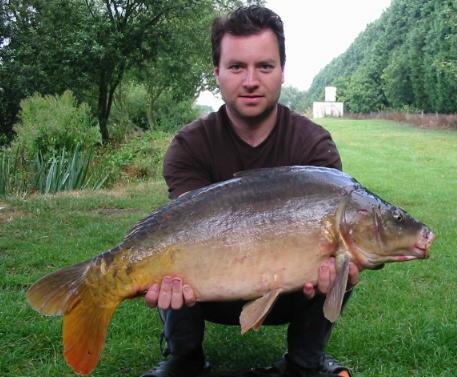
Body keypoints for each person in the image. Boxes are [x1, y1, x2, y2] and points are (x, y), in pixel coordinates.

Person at [141, 6, 360, 377]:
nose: (251, 81)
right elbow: (182, 225)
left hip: (292, 292)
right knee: (174, 255)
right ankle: (184, 359)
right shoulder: (190, 145)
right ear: (217, 74)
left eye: (265, 66)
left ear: (282, 71)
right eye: (237, 67)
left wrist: (338, 269)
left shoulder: (314, 145)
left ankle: (304, 363)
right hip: (207, 289)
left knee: (345, 256)